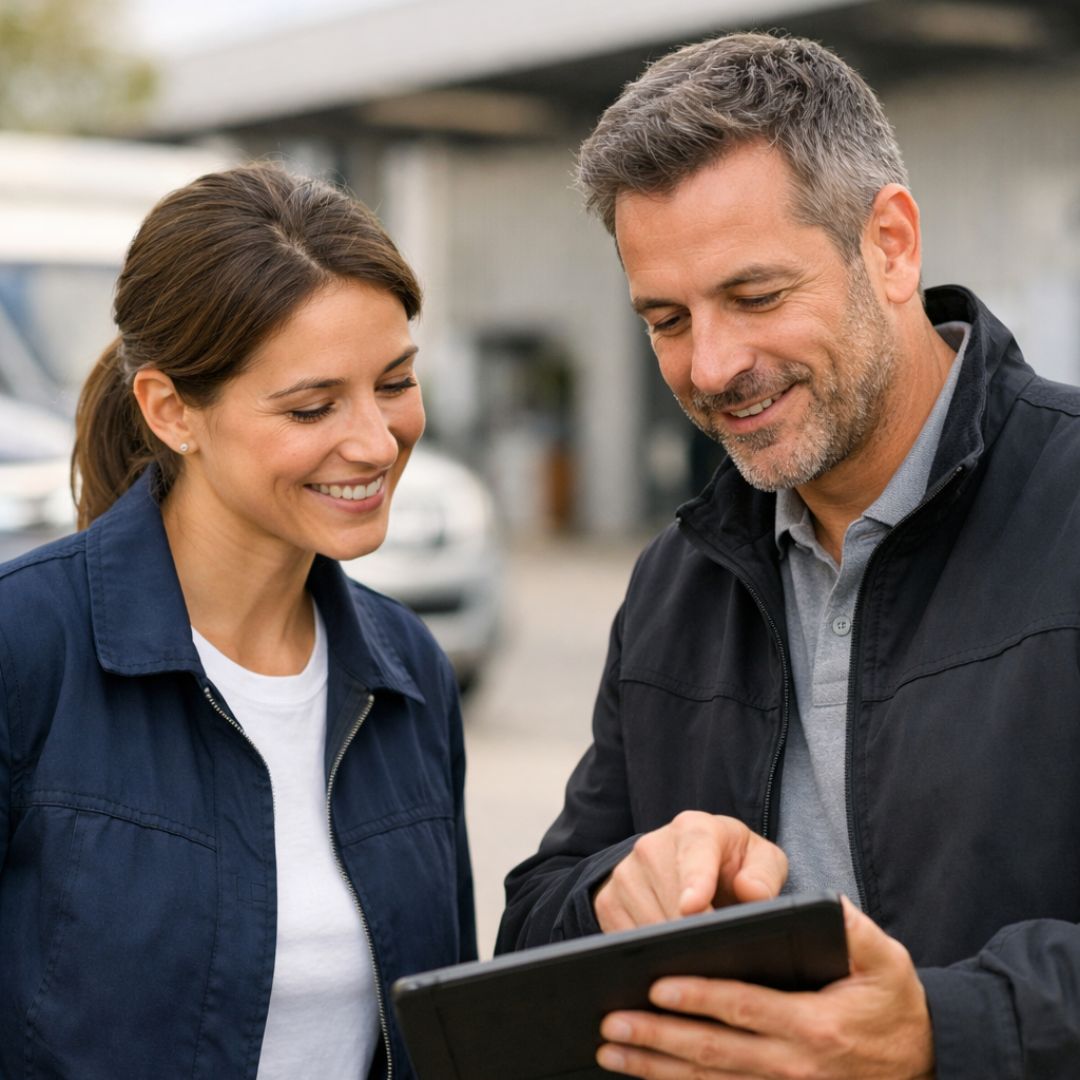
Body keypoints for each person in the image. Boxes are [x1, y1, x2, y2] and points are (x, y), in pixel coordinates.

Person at [497, 31, 1080, 1079]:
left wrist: (943, 1032)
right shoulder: (677, 581)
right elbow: (536, 912)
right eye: (666, 319)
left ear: (892, 246)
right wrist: (616, 886)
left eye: (756, 296)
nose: (714, 366)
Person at [0, 162, 475, 1079]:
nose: (376, 442)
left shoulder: (409, 671)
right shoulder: (26, 648)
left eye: (395, 383)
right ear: (172, 410)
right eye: (312, 406)